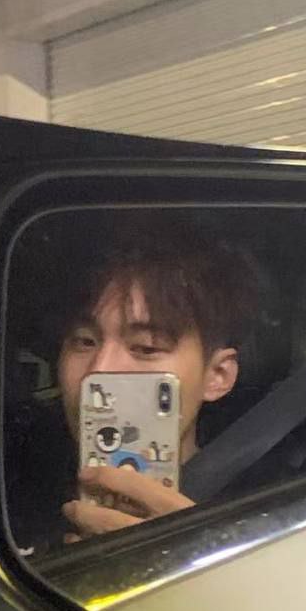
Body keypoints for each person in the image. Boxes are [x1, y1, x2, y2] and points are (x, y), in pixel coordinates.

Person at [55, 217, 262, 543]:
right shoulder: (1, 488)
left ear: (217, 376)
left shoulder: (253, 522)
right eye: (84, 341)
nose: (99, 371)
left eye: (146, 347)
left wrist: (192, 550)